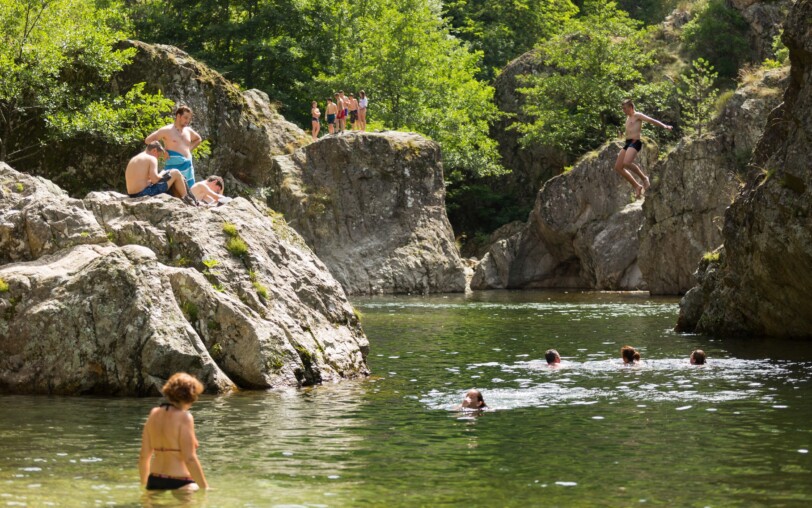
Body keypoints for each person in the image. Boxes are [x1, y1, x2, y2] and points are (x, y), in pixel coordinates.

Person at [139, 373, 209, 491]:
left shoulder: (153, 414)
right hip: (181, 481)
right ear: (191, 395)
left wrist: (145, 484)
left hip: (155, 479)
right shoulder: (185, 417)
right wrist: (205, 487)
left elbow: (143, 457)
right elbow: (190, 458)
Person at [615, 99, 672, 199]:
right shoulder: (628, 118)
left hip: (635, 142)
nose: (623, 110)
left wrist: (664, 126)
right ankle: (637, 186)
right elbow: (630, 131)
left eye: (625, 108)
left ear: (631, 107)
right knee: (618, 167)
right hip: (628, 143)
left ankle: (644, 178)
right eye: (622, 109)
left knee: (627, 163)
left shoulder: (637, 115)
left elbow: (651, 120)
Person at [146, 105, 203, 190]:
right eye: (185, 118)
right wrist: (163, 151)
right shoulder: (167, 130)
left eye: (189, 119)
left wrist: (189, 149)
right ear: (178, 116)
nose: (187, 121)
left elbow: (198, 139)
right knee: (173, 190)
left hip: (188, 165)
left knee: (190, 191)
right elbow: (148, 140)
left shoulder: (188, 130)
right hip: (173, 164)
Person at [125, 142, 195, 205]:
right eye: (158, 156)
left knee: (172, 176)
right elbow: (155, 180)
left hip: (132, 195)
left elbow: (143, 180)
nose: (157, 158)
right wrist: (162, 173)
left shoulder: (135, 158)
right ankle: (187, 199)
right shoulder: (151, 158)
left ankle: (183, 199)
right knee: (175, 172)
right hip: (143, 193)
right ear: (154, 150)